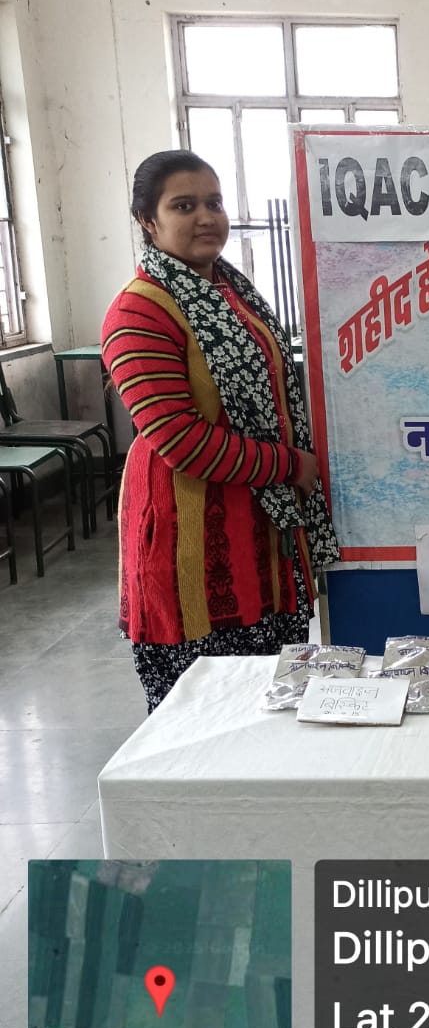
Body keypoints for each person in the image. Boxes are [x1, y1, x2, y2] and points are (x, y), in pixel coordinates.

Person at [103, 150, 341, 712]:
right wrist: (291, 466)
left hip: (263, 543)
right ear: (147, 220)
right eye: (184, 206)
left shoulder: (231, 293)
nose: (206, 218)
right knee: (199, 721)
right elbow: (180, 441)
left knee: (269, 712)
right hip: (191, 552)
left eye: (214, 203)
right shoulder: (139, 312)